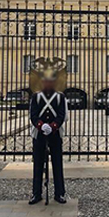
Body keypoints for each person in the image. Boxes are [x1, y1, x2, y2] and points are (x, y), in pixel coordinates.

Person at [28, 68, 68, 205]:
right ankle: (36, 193)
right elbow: (33, 115)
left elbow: (62, 115)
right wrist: (40, 126)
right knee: (38, 164)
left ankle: (59, 193)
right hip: (40, 134)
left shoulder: (60, 97)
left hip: (55, 134)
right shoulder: (36, 97)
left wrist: (53, 126)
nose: (48, 83)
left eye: (51, 81)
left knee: (57, 164)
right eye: (45, 81)